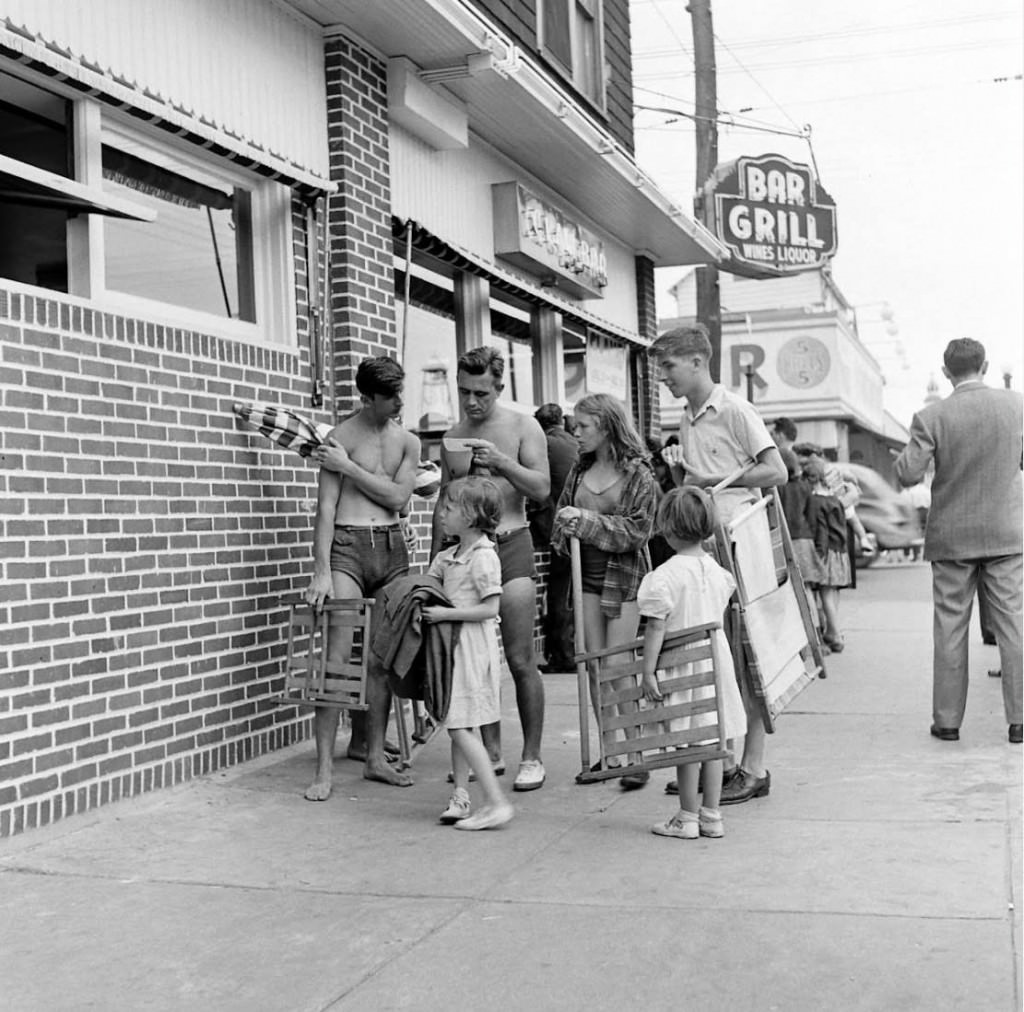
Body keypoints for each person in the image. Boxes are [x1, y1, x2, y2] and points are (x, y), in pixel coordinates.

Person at [648, 324, 787, 806]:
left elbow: (776, 470)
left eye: (667, 367)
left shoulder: (732, 409)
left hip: (743, 546)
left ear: (696, 362)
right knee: (717, 652)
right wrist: (680, 473)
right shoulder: (687, 416)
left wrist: (714, 479)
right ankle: (717, 764)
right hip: (711, 550)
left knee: (747, 658)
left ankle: (754, 766)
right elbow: (695, 484)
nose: (662, 377)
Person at [304, 356, 422, 798]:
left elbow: (397, 495)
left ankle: (373, 757)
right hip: (348, 550)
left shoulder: (407, 442)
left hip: (392, 549)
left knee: (380, 659)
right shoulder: (340, 437)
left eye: (400, 392)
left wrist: (350, 468)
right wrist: (320, 572)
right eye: (390, 395)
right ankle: (323, 771)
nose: (399, 402)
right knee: (337, 658)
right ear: (367, 396)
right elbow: (327, 509)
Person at [433, 346, 550, 791]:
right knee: (475, 660)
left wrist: (502, 462)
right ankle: (492, 752)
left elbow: (541, 489)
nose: (472, 402)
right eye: (464, 391)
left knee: (520, 657)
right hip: (465, 550)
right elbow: (445, 502)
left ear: (500, 386)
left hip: (512, 542)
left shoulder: (524, 426)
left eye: (481, 392)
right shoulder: (453, 435)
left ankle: (533, 756)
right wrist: (433, 563)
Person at [894, 338, 1023, 745]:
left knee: (950, 628)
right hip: (1007, 532)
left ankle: (947, 721)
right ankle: (1020, 720)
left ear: (947, 372)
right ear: (984, 366)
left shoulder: (931, 415)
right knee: (1015, 625)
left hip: (952, 537)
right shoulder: (1017, 406)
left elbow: (908, 474)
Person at [551, 393, 658, 790]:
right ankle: (611, 751)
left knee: (618, 667)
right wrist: (566, 527)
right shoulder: (578, 471)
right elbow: (561, 527)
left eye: (583, 427)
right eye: (573, 426)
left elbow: (637, 531)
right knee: (595, 667)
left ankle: (636, 754)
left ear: (607, 426)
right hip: (585, 581)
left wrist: (587, 521)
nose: (574, 433)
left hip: (624, 580)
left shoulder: (639, 476)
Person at [639, 487, 746, 839]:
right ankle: (711, 815)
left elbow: (656, 626)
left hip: (682, 665)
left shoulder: (665, 576)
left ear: (668, 528)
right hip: (714, 664)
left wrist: (648, 670)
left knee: (687, 741)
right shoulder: (717, 572)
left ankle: (686, 817)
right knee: (713, 742)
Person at [424, 477, 514, 830]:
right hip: (452, 646)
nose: (441, 514)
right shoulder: (451, 555)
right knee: (458, 719)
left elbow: (490, 608)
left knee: (458, 724)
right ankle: (461, 796)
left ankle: (495, 801)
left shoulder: (483, 557)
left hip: (469, 645)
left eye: (449, 508)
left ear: (472, 516)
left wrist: (445, 614)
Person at [531, 403, 579, 673]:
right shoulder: (573, 442)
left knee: (558, 591)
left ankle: (562, 655)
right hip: (574, 522)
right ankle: (567, 650)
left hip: (554, 525)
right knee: (568, 589)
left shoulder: (544, 443)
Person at [803, 457, 851, 653]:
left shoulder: (814, 501)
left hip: (827, 552)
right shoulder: (835, 500)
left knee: (825, 597)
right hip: (841, 552)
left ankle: (835, 634)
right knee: (833, 594)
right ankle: (833, 630)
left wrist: (819, 554)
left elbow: (820, 529)